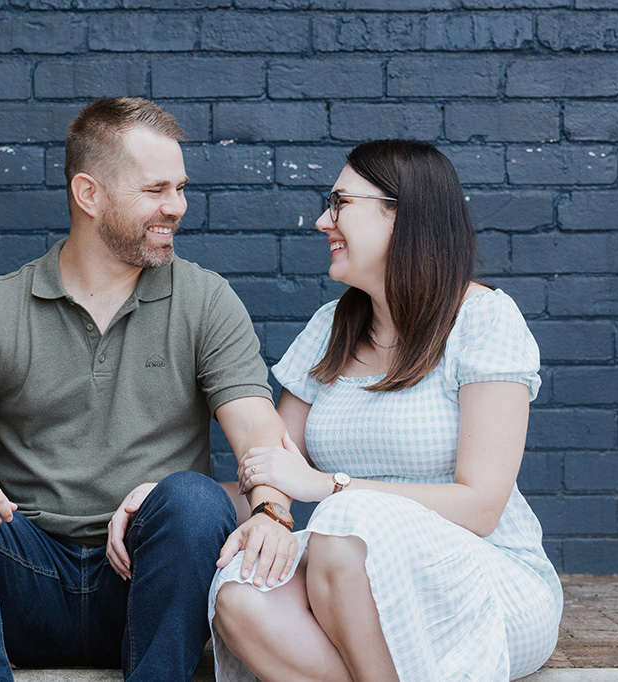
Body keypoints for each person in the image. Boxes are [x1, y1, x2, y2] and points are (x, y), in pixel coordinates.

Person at [0, 97, 299, 682]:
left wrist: (270, 512)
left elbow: (259, 430)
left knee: (195, 501)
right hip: (23, 577)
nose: (175, 207)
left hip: (146, 583)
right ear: (89, 194)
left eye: (180, 188)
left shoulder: (204, 300)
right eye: (156, 190)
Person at [209, 139, 563, 682]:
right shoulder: (329, 328)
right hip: (349, 571)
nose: (323, 221)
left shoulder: (484, 321)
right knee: (240, 595)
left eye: (341, 202)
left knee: (347, 521)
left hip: (485, 577)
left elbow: (482, 507)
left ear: (403, 216)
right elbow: (277, 469)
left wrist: (331, 487)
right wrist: (172, 497)